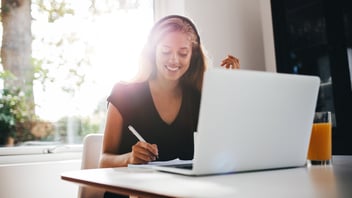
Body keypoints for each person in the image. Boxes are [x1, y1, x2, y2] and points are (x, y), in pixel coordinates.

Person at [99, 14, 239, 198]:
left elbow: (225, 151)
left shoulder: (200, 98)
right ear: (153, 51)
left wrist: (233, 89)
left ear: (193, 55)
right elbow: (103, 161)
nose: (174, 60)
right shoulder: (124, 93)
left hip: (182, 193)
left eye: (183, 53)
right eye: (165, 51)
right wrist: (130, 158)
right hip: (132, 194)